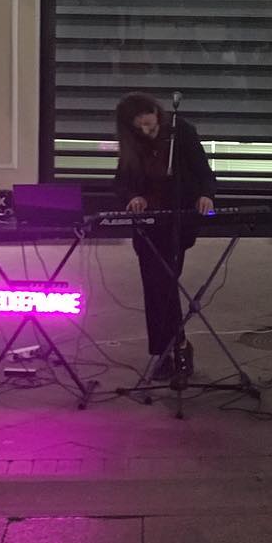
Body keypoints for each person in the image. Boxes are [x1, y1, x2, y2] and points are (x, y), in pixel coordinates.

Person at [113, 92, 217, 381]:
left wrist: (206, 195)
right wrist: (133, 197)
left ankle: (177, 347)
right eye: (140, 127)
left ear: (157, 113)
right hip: (148, 224)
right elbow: (121, 182)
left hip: (177, 220)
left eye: (150, 124)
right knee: (154, 287)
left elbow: (204, 173)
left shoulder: (181, 131)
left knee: (166, 284)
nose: (147, 131)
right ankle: (165, 352)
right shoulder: (132, 143)